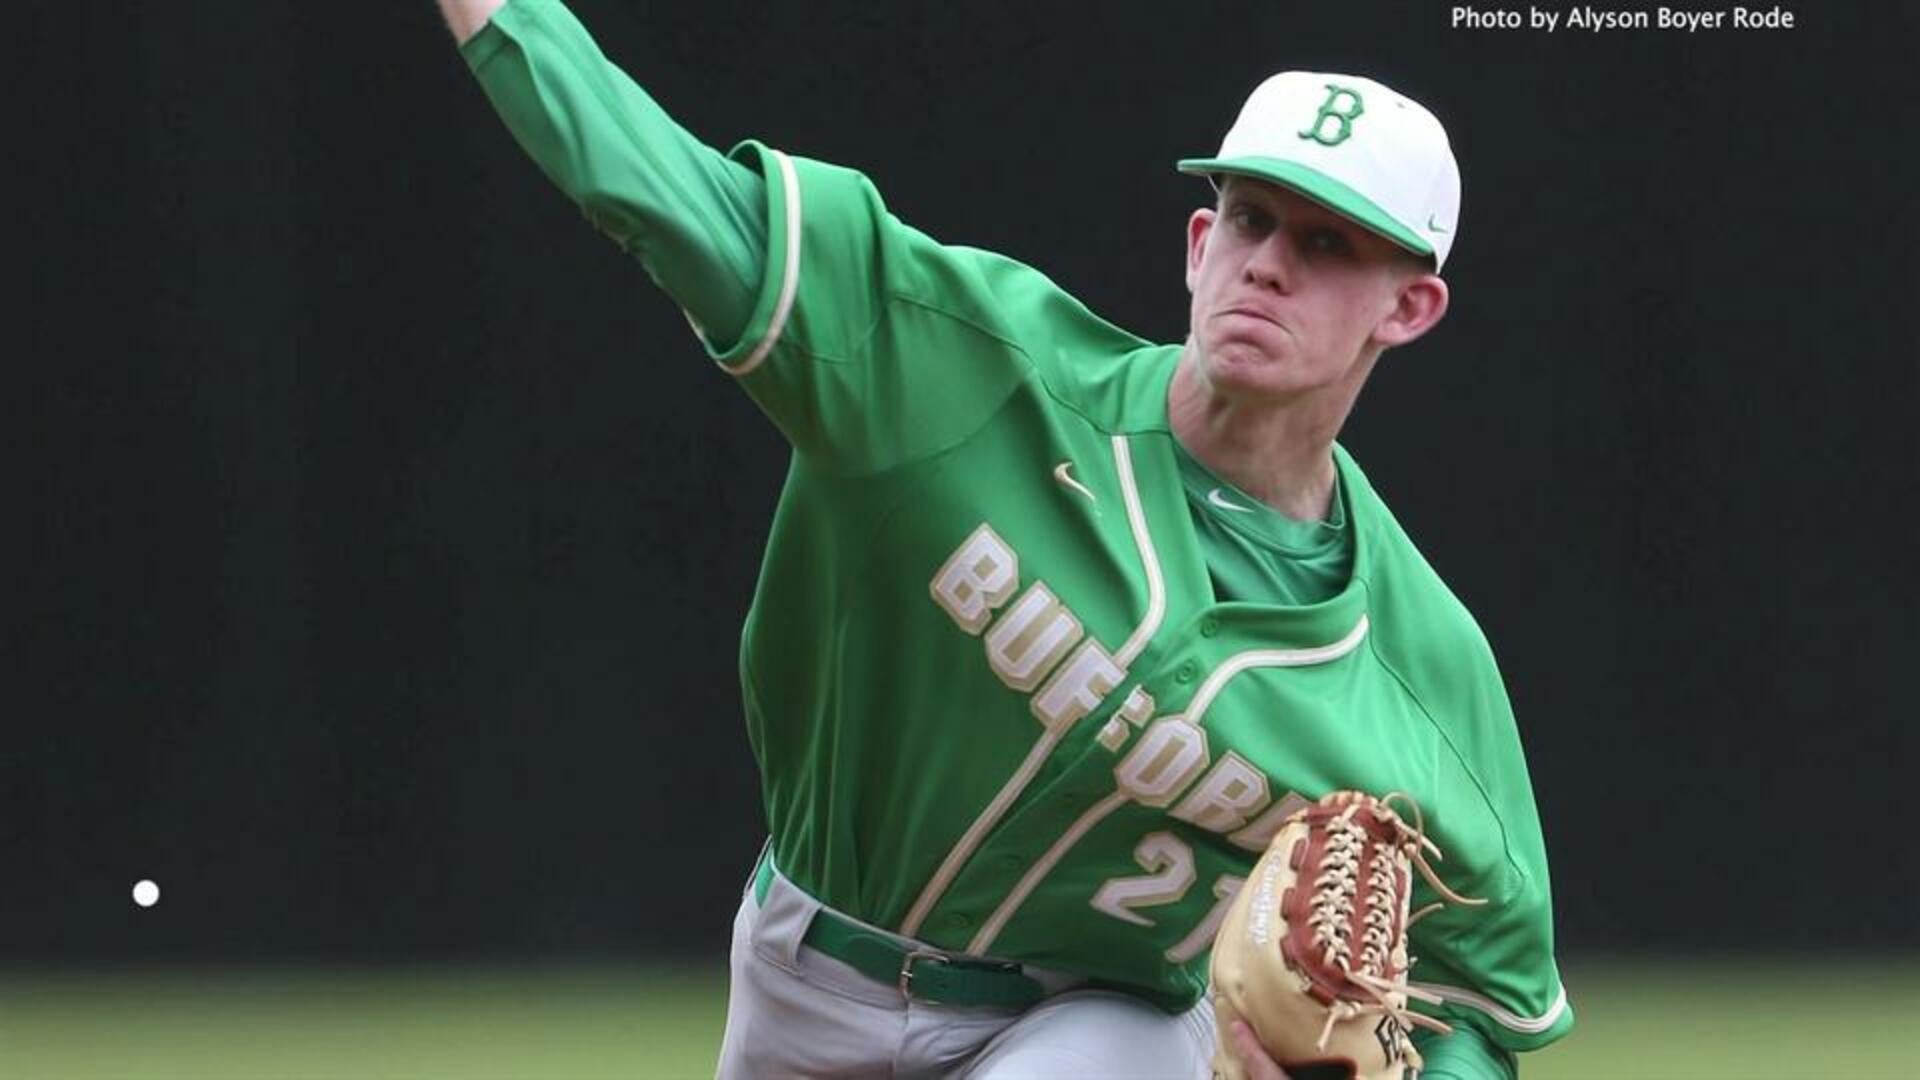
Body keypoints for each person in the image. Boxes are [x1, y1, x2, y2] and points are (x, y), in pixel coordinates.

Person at [434, 1, 1574, 1076]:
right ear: (1197, 243)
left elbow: (1487, 998)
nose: (1270, 262)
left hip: (1101, 1018)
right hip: (804, 963)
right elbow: (653, 183)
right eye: (1251, 219)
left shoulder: (1420, 677)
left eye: (1329, 244)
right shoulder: (964, 376)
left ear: (1408, 307)